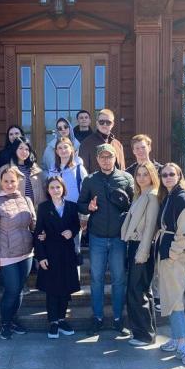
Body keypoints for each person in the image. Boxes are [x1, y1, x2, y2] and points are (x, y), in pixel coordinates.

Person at [77, 143, 134, 336]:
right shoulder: (90, 180)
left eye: (109, 156)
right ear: (97, 159)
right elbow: (80, 204)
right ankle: (97, 318)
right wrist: (88, 208)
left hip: (119, 238)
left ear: (115, 157)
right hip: (97, 238)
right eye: (102, 157)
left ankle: (118, 319)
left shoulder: (126, 178)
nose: (106, 160)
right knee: (96, 280)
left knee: (119, 279)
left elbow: (134, 206)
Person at [155, 163, 185, 367]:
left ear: (179, 175)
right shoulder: (170, 196)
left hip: (174, 255)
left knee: (175, 300)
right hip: (167, 253)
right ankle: (175, 339)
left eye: (171, 174)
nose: (167, 177)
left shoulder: (182, 197)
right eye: (164, 175)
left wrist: (173, 254)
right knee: (170, 297)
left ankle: (182, 344)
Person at [0, 166, 37, 340]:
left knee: (20, 290)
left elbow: (33, 225)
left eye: (12, 181)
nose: (9, 184)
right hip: (6, 255)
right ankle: (5, 324)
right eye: (6, 181)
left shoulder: (26, 200)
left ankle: (13, 320)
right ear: (1, 182)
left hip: (26, 253)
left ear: (18, 181)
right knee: (12, 290)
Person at [34, 176, 80, 339]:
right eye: (52, 187)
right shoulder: (43, 207)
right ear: (48, 190)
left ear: (63, 188)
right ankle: (53, 321)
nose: (55, 190)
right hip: (50, 252)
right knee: (52, 289)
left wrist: (72, 232)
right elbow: (38, 232)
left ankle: (62, 319)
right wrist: (41, 257)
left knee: (65, 288)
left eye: (58, 187)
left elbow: (76, 225)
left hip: (67, 253)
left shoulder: (72, 206)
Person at [121, 162, 160, 346]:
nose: (142, 178)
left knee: (137, 291)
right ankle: (145, 332)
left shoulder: (152, 196)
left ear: (152, 176)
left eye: (146, 174)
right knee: (141, 290)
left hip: (142, 246)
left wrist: (142, 252)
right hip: (135, 245)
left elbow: (150, 227)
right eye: (139, 174)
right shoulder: (140, 194)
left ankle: (144, 335)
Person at [0, 138, 46, 207]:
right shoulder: (5, 169)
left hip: (37, 210)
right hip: (16, 210)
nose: (24, 151)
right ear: (15, 149)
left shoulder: (36, 169)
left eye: (27, 149)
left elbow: (44, 189)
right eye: (20, 148)